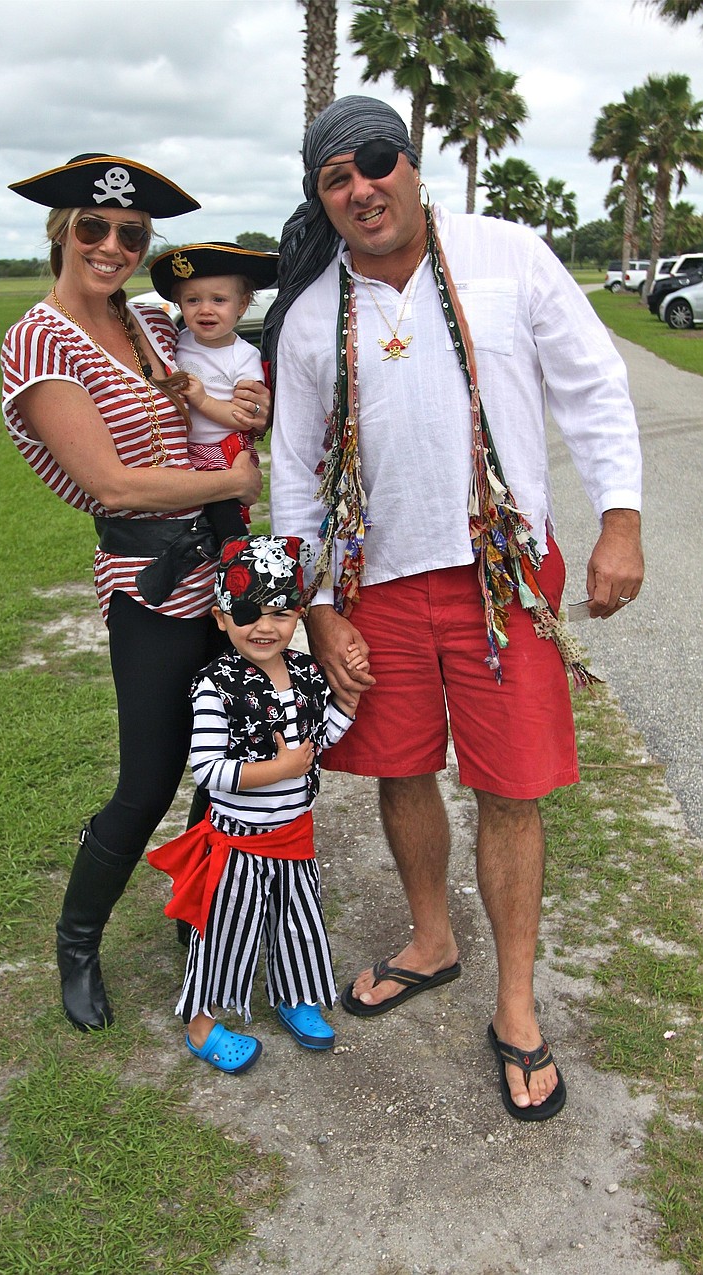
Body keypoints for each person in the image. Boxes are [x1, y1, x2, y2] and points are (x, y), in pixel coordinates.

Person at [264, 97, 644, 1121]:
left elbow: (595, 387)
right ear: (322, 197)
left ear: (412, 164)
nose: (360, 186)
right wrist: (317, 610)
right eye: (334, 176)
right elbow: (294, 479)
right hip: (370, 587)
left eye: (375, 161)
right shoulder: (309, 316)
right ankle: (432, 939)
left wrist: (619, 520)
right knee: (396, 769)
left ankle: (514, 1005)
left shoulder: (506, 256)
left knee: (510, 786)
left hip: (500, 573)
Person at [1, 152, 267, 1032]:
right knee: (148, 779)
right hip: (149, 580)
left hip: (222, 569)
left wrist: (248, 403)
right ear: (62, 233)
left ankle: (197, 915)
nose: (112, 245)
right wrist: (236, 482)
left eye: (131, 233)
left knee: (227, 760)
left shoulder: (154, 322)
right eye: (93, 227)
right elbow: (112, 485)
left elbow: (217, 375)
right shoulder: (37, 339)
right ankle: (77, 941)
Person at [147, 535, 365, 1074]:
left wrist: (348, 701)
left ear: (297, 616)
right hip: (240, 845)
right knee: (225, 931)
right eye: (247, 613)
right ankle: (201, 1027)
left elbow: (322, 739)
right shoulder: (214, 687)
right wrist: (279, 770)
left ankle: (294, 997)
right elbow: (209, 771)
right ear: (221, 618)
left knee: (297, 925)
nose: (264, 626)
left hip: (296, 840)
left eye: (279, 612)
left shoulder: (308, 675)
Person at [148, 242, 278, 542]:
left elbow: (244, 417)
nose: (205, 309)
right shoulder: (176, 342)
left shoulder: (242, 355)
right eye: (193, 300)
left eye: (219, 300)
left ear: (242, 305)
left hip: (223, 450)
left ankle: (236, 557)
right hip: (182, 450)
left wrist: (202, 400)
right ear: (179, 305)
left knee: (222, 510)